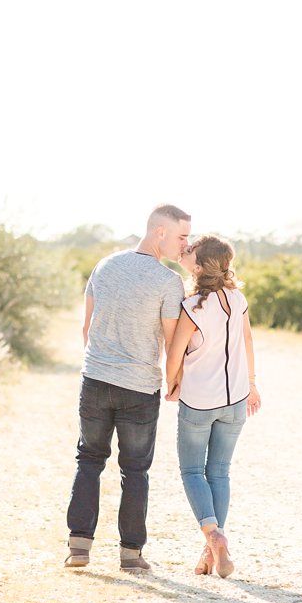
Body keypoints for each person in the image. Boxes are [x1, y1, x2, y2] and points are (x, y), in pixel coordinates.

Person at [65, 204, 191, 574]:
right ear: (160, 233)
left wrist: (102, 361)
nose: (186, 246)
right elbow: (172, 343)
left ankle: (78, 547)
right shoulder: (168, 281)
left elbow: (87, 328)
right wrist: (174, 381)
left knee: (89, 459)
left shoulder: (105, 265)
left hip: (95, 380)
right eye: (182, 237)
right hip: (139, 388)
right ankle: (131, 555)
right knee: (135, 470)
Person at [164, 235, 262, 578]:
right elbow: (248, 341)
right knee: (219, 471)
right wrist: (251, 384)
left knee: (193, 472)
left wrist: (171, 381)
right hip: (234, 399)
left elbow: (175, 353)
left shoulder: (192, 307)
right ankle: (211, 551)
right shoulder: (238, 299)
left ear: (201, 267)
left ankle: (213, 535)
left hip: (198, 401)